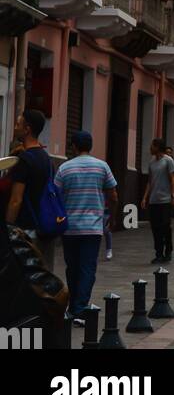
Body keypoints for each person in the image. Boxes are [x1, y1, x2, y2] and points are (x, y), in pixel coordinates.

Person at [53, 130, 117, 323]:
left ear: (73, 146)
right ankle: (80, 308)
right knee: (87, 268)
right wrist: (112, 216)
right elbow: (113, 195)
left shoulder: (64, 168)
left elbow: (55, 196)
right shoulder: (102, 166)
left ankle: (74, 306)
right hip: (93, 228)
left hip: (70, 228)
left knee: (72, 268)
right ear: (90, 146)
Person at [4, 107, 59, 270]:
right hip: (44, 227)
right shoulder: (46, 159)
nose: (15, 127)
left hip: (25, 229)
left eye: (18, 124)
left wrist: (8, 230)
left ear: (27, 129)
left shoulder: (24, 160)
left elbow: (15, 200)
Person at [142, 138, 174, 264]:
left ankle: (168, 250)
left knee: (165, 226)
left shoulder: (168, 161)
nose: (150, 148)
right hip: (154, 200)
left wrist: (173, 196)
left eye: (152, 146)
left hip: (165, 200)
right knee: (155, 228)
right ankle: (158, 253)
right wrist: (145, 197)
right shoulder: (151, 162)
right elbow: (150, 181)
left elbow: (173, 179)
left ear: (157, 147)